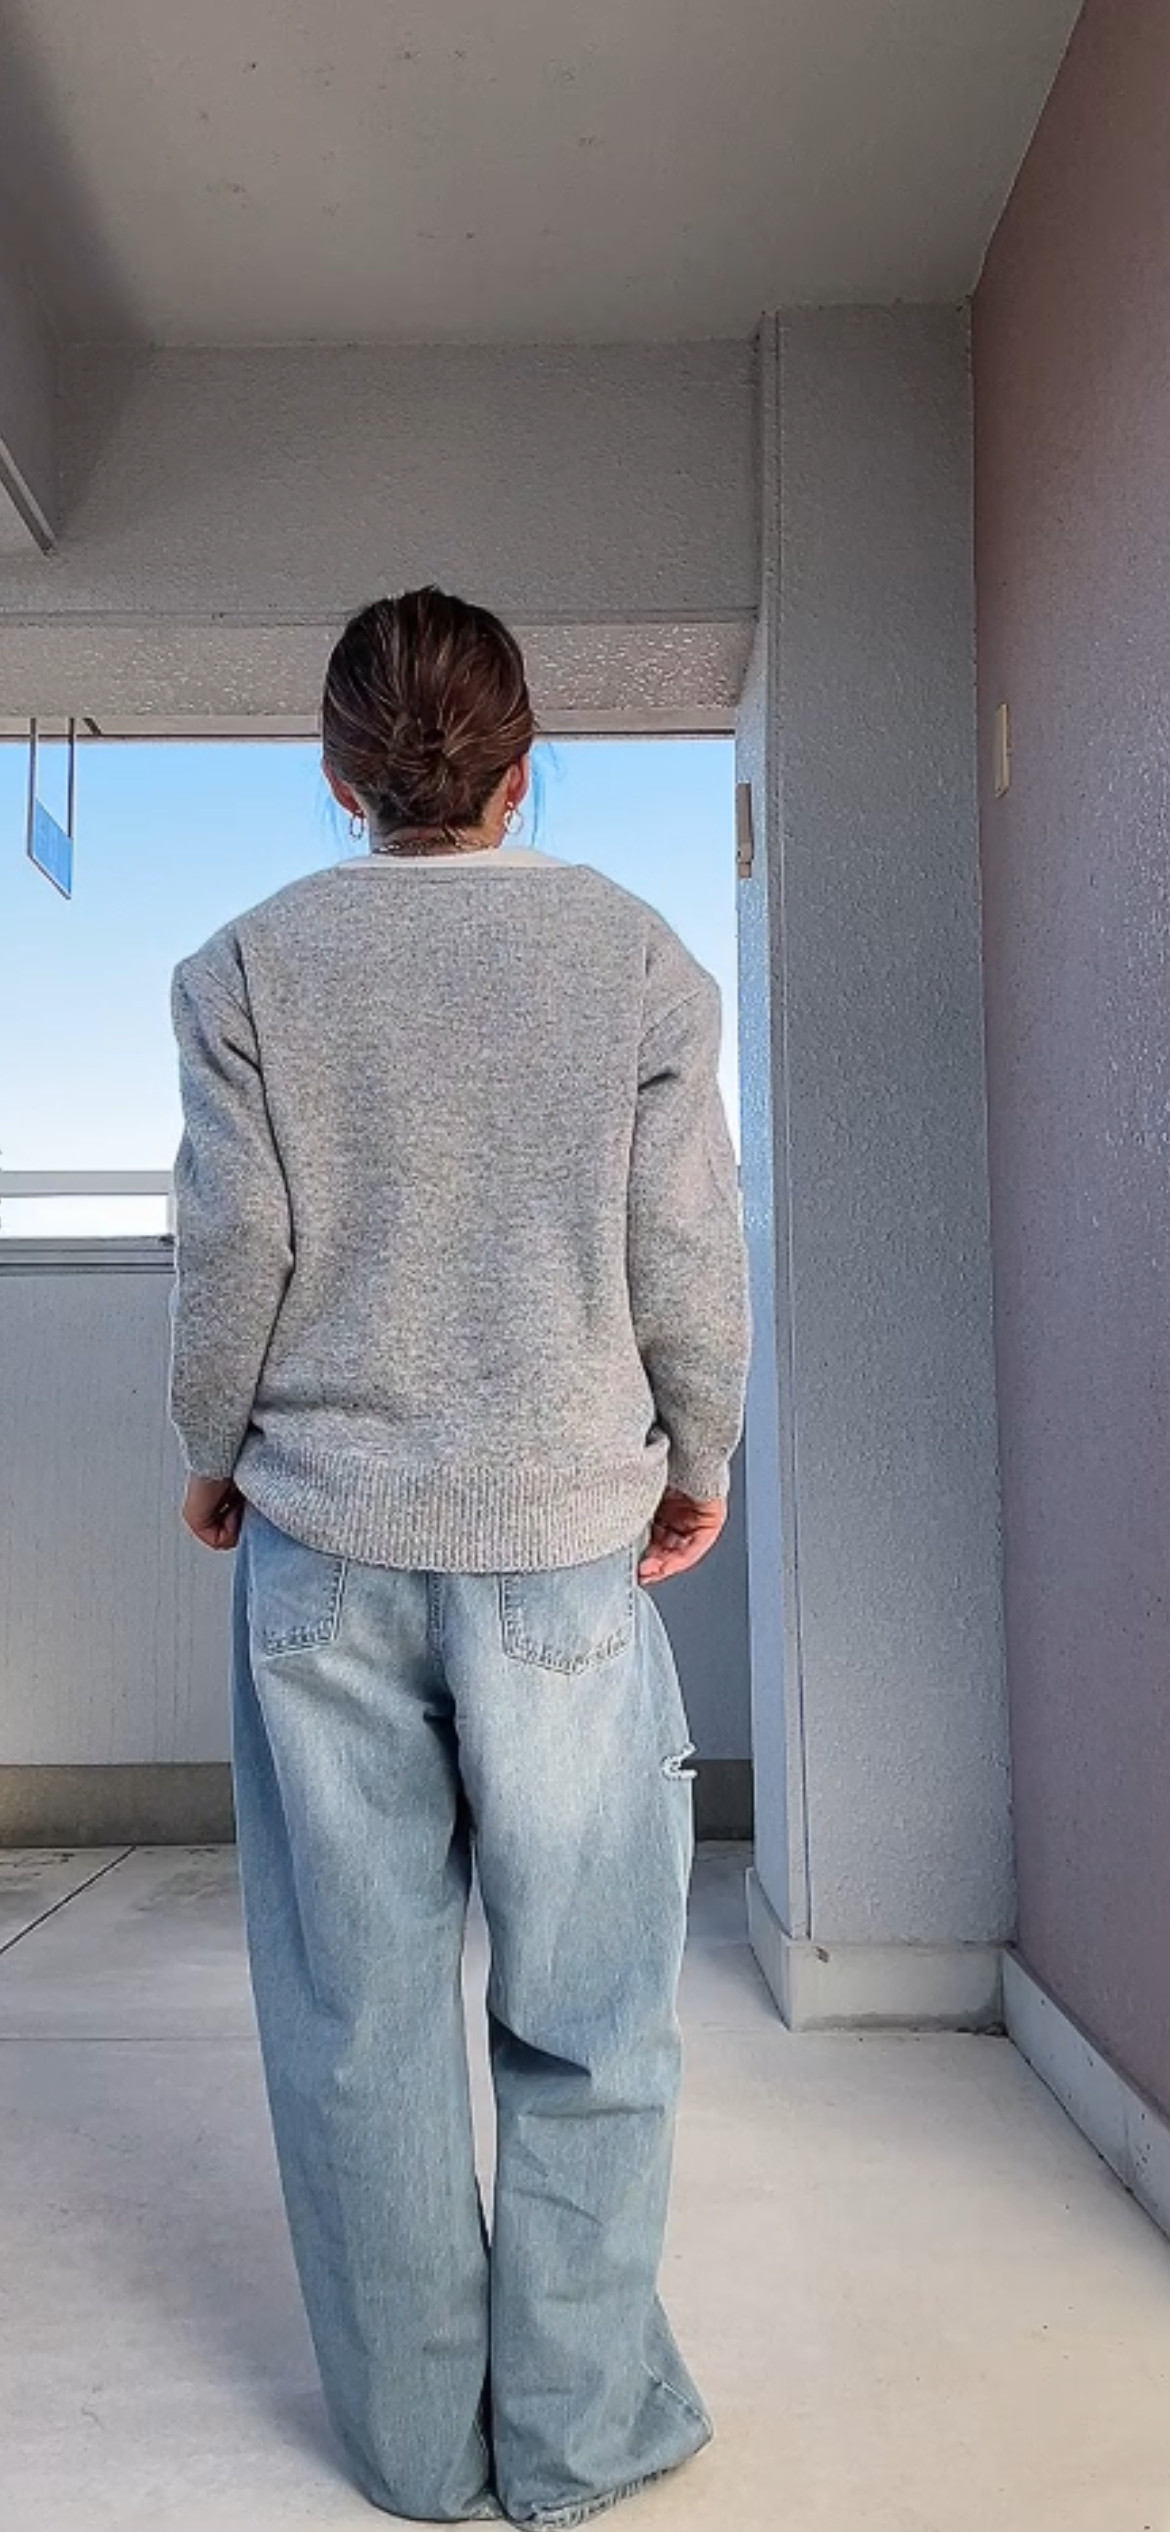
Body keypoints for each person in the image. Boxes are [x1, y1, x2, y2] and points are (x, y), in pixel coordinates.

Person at [168, 585, 751, 2528]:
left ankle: (418, 2451)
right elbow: (686, 1250)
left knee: (359, 2020)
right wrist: (697, 1457)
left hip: (323, 1545)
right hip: (563, 1545)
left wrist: (213, 1452)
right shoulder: (634, 957)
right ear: (521, 766)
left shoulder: (248, 968)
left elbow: (233, 1253)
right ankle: (578, 2438)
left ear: (338, 775)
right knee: (591, 2009)